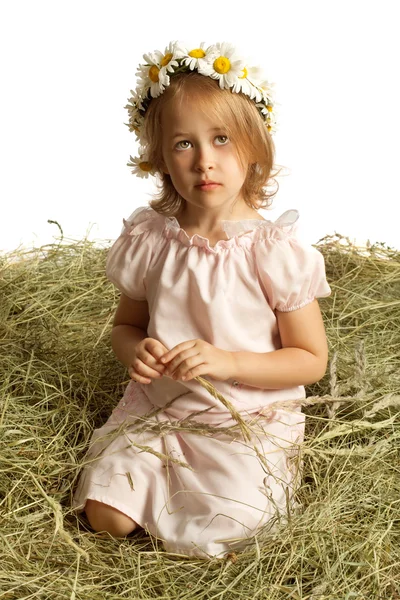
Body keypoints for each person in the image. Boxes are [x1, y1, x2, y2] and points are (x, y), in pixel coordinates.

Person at [72, 40, 332, 559]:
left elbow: (311, 360)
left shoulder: (271, 251)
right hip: (161, 410)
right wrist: (135, 352)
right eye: (184, 144)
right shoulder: (152, 241)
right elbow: (127, 327)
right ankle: (154, 498)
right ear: (161, 158)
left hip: (245, 418)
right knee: (105, 516)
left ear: (254, 149)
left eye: (221, 139)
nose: (205, 161)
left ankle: (214, 505)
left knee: (229, 521)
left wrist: (227, 361)